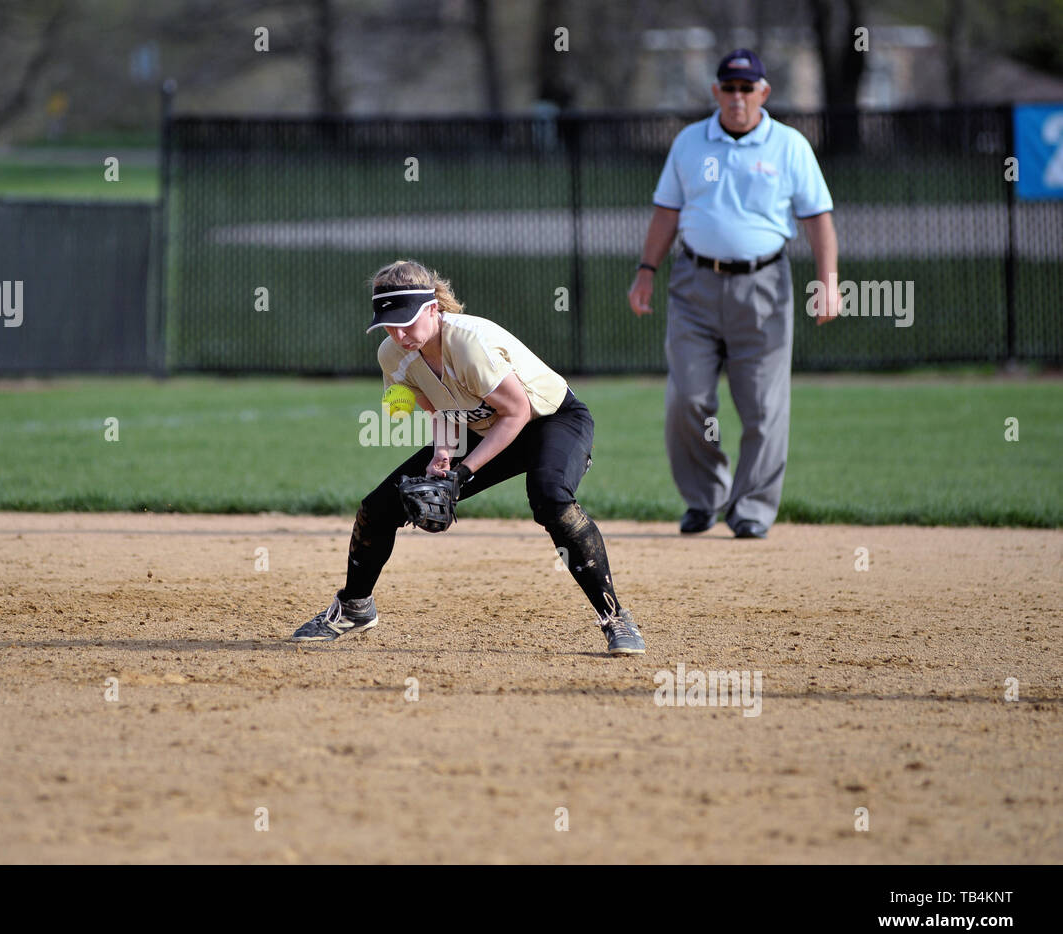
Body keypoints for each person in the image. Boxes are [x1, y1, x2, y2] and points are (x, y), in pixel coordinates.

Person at [290, 259, 646, 656]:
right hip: (480, 427)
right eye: (389, 324)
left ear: (432, 308)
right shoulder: (392, 355)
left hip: (551, 421)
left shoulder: (467, 341)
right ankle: (355, 607)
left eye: (407, 320)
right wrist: (443, 455)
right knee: (378, 508)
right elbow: (441, 409)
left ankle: (615, 617)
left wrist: (463, 473)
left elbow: (517, 412)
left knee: (551, 498)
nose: (400, 333)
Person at [628, 49, 841, 539]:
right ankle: (704, 499)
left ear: (763, 93)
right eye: (730, 87)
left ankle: (751, 509)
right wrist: (646, 272)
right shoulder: (689, 142)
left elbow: (818, 220)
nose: (738, 96)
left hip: (764, 287)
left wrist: (829, 283)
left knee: (764, 408)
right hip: (694, 284)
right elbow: (666, 212)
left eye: (748, 88)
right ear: (716, 93)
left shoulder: (788, 146)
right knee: (687, 398)